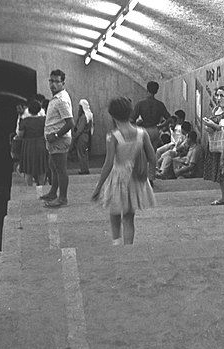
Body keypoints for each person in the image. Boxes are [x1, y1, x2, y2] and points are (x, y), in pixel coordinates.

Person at [91, 97, 156, 245]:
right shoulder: (142, 133)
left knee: (114, 211)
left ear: (112, 115)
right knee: (129, 216)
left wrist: (99, 186)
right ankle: (128, 248)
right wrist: (149, 172)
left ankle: (116, 242)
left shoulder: (113, 136)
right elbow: (152, 158)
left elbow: (108, 164)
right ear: (131, 112)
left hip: (118, 177)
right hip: (135, 178)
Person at [41, 69, 74, 208]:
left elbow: (70, 123)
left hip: (59, 140)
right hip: (53, 140)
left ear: (63, 83)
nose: (53, 84)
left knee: (60, 169)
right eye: (51, 81)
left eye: (56, 82)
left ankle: (62, 198)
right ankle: (53, 192)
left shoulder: (61, 100)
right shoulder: (56, 98)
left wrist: (55, 135)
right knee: (53, 167)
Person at [203, 86, 224, 205]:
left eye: (222, 95)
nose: (218, 98)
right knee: (219, 175)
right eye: (217, 95)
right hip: (215, 146)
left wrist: (215, 126)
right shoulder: (216, 109)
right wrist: (209, 127)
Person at [130, 81, 171, 148]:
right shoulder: (160, 104)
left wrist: (136, 127)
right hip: (155, 130)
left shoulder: (140, 103)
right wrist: (160, 126)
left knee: (143, 153)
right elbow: (169, 119)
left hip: (144, 130)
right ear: (156, 91)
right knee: (153, 152)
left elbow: (132, 119)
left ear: (147, 90)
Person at [18, 99, 48, 187]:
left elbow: (20, 134)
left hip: (28, 145)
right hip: (41, 144)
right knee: (41, 167)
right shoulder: (44, 119)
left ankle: (29, 187)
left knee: (28, 168)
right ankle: (41, 187)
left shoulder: (24, 121)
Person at [71, 99, 93, 174]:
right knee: (85, 154)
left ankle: (83, 169)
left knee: (81, 154)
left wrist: (74, 137)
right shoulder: (89, 115)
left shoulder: (83, 117)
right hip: (86, 136)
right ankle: (85, 168)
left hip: (81, 137)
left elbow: (80, 129)